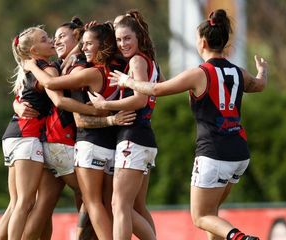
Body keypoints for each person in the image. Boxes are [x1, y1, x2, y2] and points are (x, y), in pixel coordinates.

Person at [109, 9, 268, 240]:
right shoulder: (239, 72)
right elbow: (260, 85)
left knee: (200, 217)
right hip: (239, 154)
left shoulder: (199, 73)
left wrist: (127, 80)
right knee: (212, 215)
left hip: (213, 153)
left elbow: (156, 89)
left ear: (202, 42)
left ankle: (238, 237)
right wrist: (263, 70)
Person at [24, 22, 127, 240]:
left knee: (45, 205)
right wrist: (107, 116)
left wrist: (31, 66)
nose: (55, 40)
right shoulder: (71, 65)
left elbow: (56, 96)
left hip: (57, 142)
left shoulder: (76, 67)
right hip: (63, 142)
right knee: (96, 201)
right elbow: (62, 104)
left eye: (62, 36)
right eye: (52, 37)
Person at [88, 10, 159, 240]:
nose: (122, 44)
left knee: (119, 205)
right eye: (118, 40)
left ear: (138, 37)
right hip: (142, 136)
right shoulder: (148, 60)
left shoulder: (137, 60)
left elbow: (140, 99)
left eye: (127, 38)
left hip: (134, 135)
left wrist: (104, 106)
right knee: (130, 207)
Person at [0, 25, 60, 240]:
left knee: (15, 204)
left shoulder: (27, 69)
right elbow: (55, 89)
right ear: (33, 50)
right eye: (44, 39)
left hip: (13, 134)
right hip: (27, 136)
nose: (50, 40)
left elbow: (19, 99)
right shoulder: (45, 70)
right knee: (25, 203)